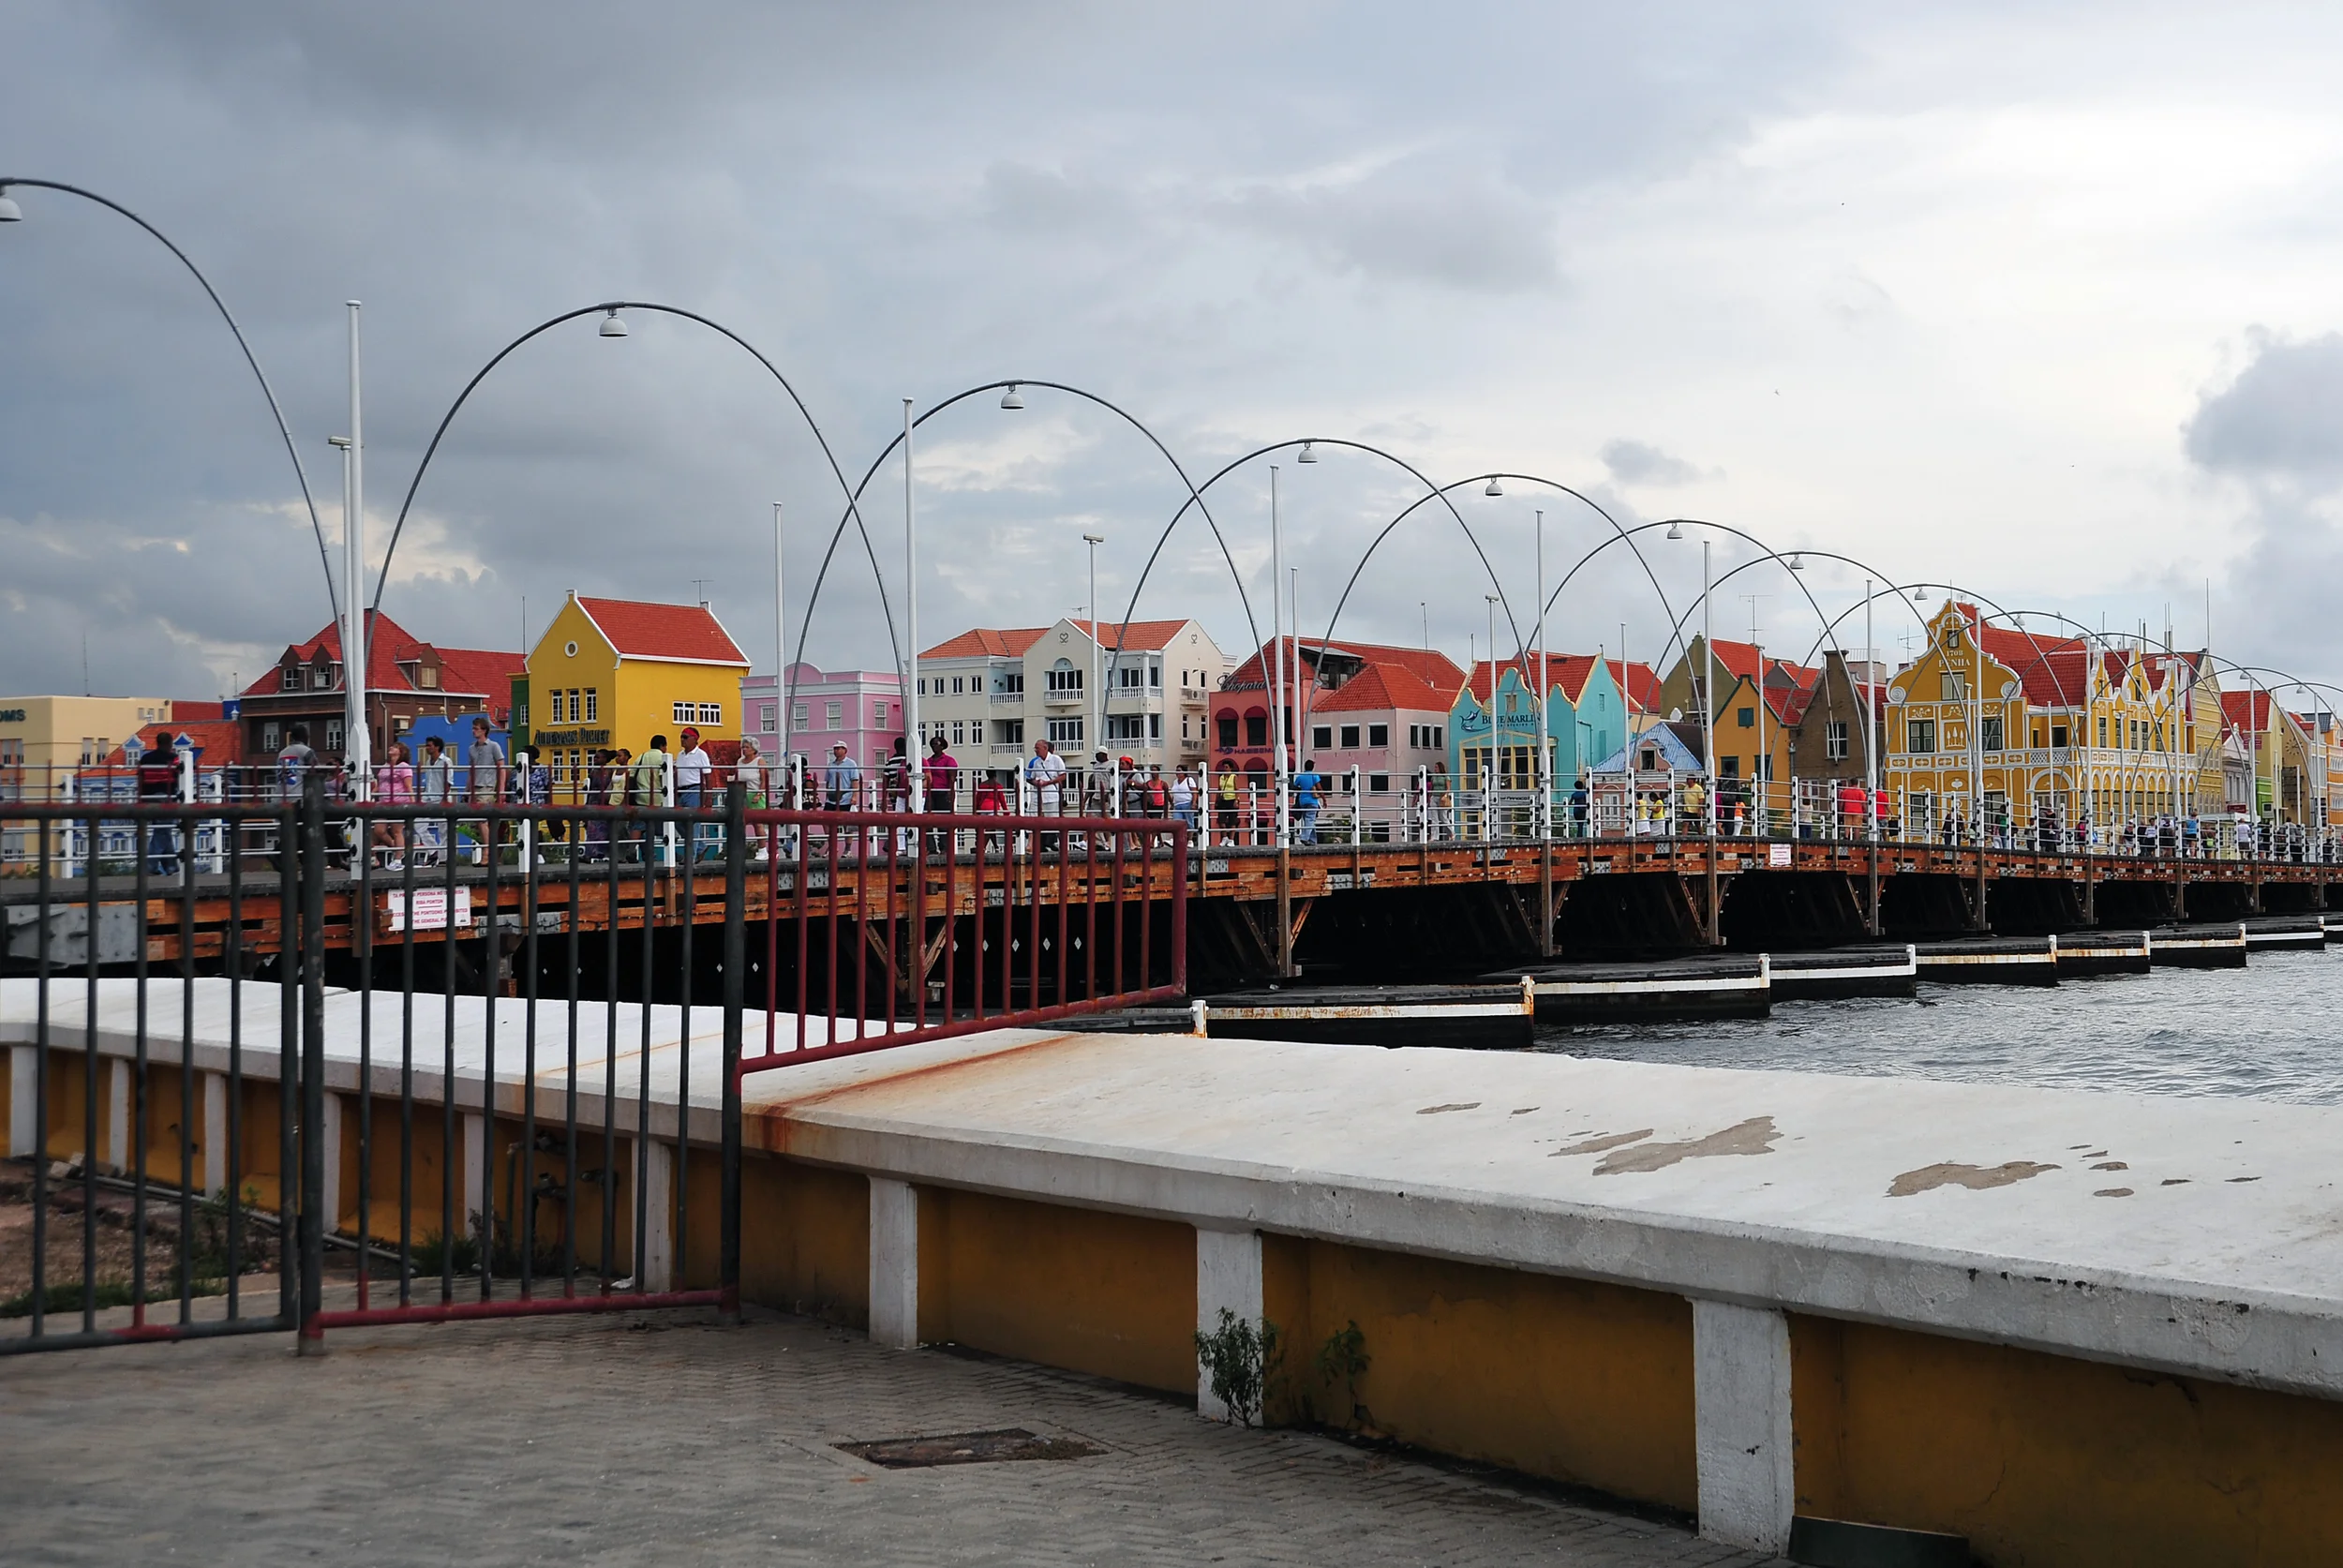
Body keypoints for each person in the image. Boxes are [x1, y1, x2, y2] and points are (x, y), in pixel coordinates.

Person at [137, 732, 180, 876]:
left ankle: (171, 866)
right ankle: (150, 866)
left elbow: (140, 778)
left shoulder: (145, 758)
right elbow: (177, 776)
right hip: (166, 798)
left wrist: (141, 798)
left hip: (148, 797)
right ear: (170, 743)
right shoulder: (173, 759)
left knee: (164, 830)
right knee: (162, 832)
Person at [373, 740, 415, 867]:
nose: (391, 748)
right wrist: (371, 794)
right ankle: (397, 849)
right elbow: (380, 784)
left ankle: (397, 859)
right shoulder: (385, 766)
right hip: (384, 802)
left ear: (401, 752)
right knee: (378, 830)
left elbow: (408, 786)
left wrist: (413, 802)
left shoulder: (403, 766)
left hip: (398, 801)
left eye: (395, 747)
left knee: (397, 831)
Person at [277, 723, 317, 802]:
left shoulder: (282, 752)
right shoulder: (306, 751)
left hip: (280, 795)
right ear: (305, 736)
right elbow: (314, 771)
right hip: (298, 796)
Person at [1292, 757, 1322, 844]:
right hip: (1312, 801)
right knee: (1310, 819)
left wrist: (1301, 789)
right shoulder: (1314, 776)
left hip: (1303, 801)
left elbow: (1294, 786)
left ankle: (1312, 840)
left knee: (1308, 820)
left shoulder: (1300, 776)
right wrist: (1324, 799)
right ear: (1312, 767)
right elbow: (1319, 788)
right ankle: (1304, 837)